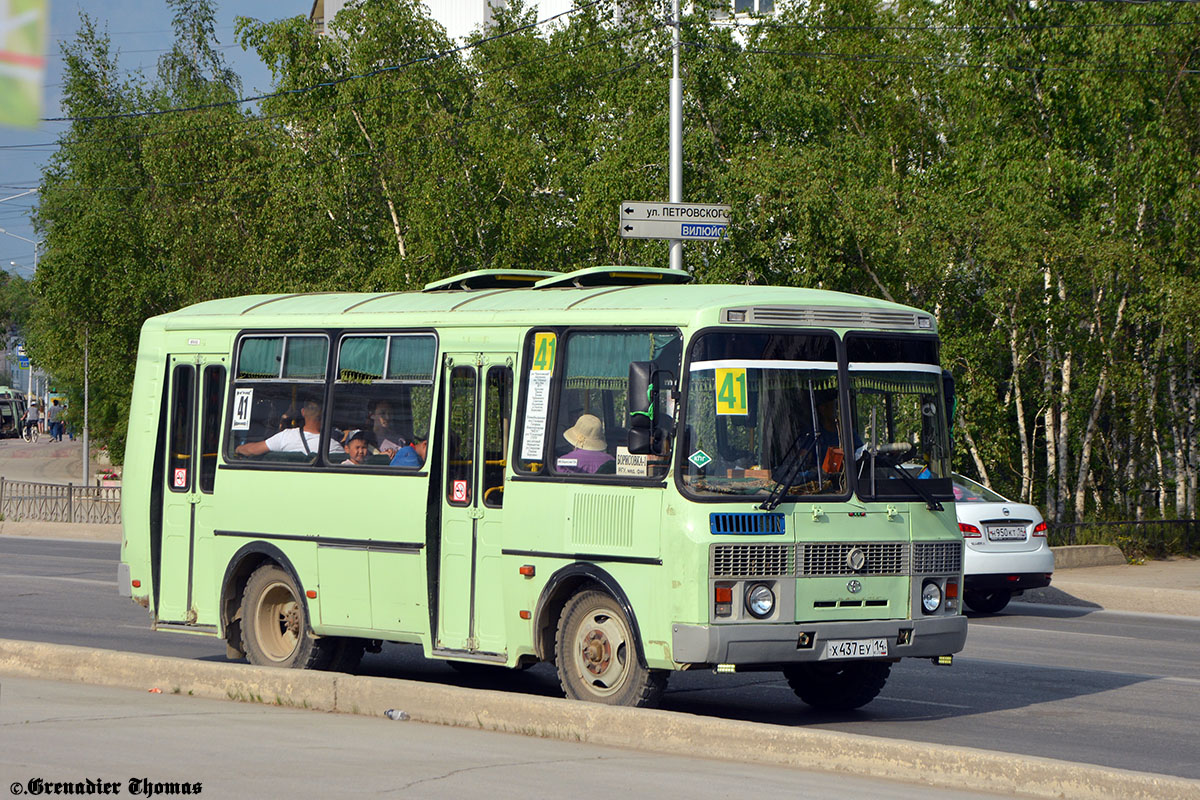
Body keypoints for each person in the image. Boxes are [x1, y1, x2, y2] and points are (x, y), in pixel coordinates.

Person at [235, 400, 344, 458]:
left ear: (303, 412)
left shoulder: (286, 437)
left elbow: (253, 450)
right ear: (324, 416)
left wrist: (237, 449)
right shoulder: (332, 446)